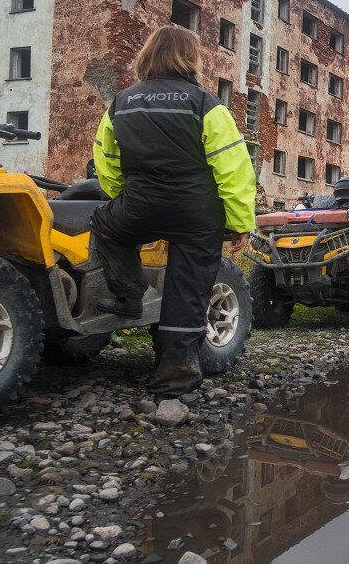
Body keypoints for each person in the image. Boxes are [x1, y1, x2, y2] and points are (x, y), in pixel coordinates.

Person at [91, 26, 255, 398]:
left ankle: (130, 294)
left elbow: (106, 160)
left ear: (147, 56)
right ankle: (175, 375)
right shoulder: (206, 104)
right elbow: (232, 167)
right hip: (198, 213)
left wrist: (123, 197)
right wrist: (239, 221)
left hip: (140, 204)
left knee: (104, 225)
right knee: (189, 289)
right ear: (190, 58)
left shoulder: (121, 103)